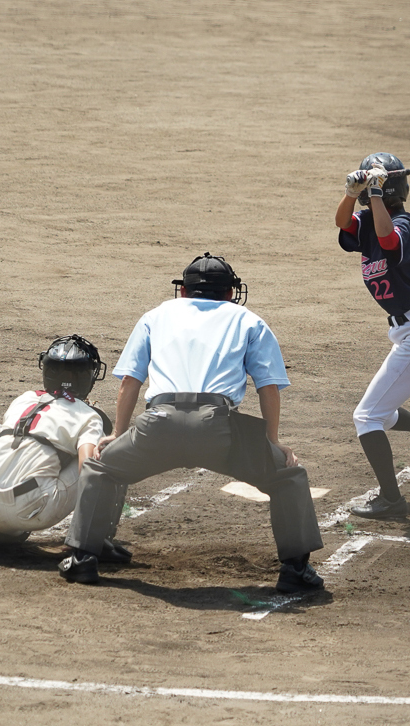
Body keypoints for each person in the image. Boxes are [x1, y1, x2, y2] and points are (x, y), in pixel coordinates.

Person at [59, 253, 325, 594]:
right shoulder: (248, 320)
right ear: (230, 292)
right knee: (287, 477)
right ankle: (296, 570)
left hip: (156, 426)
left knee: (101, 468)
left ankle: (83, 558)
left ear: (183, 291)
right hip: (218, 431)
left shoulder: (156, 316)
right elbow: (268, 387)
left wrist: (117, 433)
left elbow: (130, 382)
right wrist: (272, 442)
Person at [0, 335, 130, 560]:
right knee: (106, 456)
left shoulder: (23, 400)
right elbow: (89, 469)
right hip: (32, 508)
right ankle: (97, 541)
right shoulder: (89, 417)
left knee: (29, 463)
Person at [335, 154, 410, 520]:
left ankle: (391, 500)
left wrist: (372, 193)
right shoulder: (368, 221)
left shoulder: (404, 222)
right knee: (378, 413)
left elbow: (389, 241)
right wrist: (350, 193)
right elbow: (342, 225)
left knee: (366, 417)